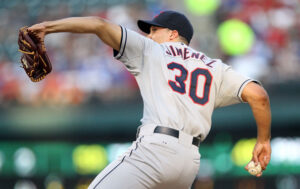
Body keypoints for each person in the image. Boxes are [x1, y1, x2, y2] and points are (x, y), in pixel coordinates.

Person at [28, 10, 271, 189]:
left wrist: (47, 27)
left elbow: (97, 25)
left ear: (173, 34)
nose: (149, 34)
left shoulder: (152, 50)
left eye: (155, 30)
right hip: (189, 164)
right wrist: (263, 141)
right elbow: (258, 95)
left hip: (155, 150)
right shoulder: (214, 68)